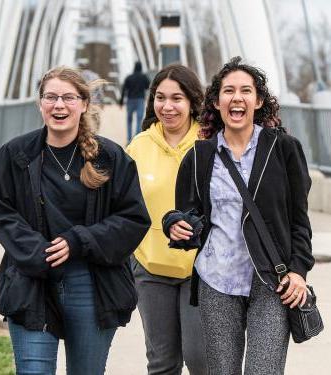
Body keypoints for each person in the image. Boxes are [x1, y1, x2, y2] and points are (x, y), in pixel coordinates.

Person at [0, 66, 150, 375]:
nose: (59, 105)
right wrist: (37, 252)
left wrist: (79, 241)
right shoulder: (15, 155)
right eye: (51, 97)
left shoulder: (109, 158)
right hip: (32, 281)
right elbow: (0, 211)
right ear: (40, 103)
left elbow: (133, 218)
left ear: (84, 103)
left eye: (68, 98)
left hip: (91, 285)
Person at [165, 56, 315, 375]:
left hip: (272, 282)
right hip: (216, 281)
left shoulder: (284, 148)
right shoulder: (199, 156)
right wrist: (175, 226)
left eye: (245, 91)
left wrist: (299, 271)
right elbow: (187, 218)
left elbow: (299, 220)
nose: (237, 97)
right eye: (228, 90)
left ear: (258, 101)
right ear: (217, 102)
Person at [126, 64, 208, 375]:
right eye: (161, 98)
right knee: (162, 363)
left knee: (200, 359)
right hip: (150, 269)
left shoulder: (210, 143)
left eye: (177, 98)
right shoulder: (138, 146)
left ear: (192, 102)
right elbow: (123, 205)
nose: (167, 106)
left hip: (200, 271)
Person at [119, 61, 150, 143]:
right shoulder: (144, 77)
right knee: (139, 119)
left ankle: (129, 139)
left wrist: (121, 102)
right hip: (140, 99)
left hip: (130, 100)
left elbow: (124, 90)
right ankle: (137, 138)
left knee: (129, 119)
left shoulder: (129, 77)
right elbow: (148, 87)